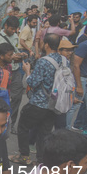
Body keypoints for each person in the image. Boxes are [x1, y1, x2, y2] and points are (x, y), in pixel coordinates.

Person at [12, 34, 62, 165]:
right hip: (53, 103)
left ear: (46, 45)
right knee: (44, 133)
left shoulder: (44, 61)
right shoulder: (62, 59)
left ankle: (24, 156)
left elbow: (33, 82)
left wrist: (27, 71)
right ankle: (41, 160)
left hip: (38, 102)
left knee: (23, 126)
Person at [0, 16, 26, 134]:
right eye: (11, 28)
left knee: (16, 97)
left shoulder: (15, 37)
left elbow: (15, 50)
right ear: (5, 26)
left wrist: (19, 55)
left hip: (15, 70)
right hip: (1, 72)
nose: (14, 31)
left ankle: (11, 123)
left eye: (15, 29)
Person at [65, 22, 87, 145]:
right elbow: (76, 65)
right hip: (82, 79)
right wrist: (79, 85)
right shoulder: (85, 45)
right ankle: (65, 132)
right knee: (73, 106)